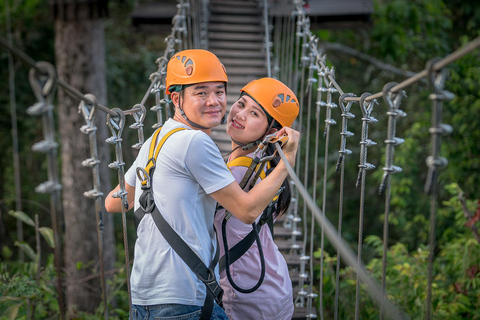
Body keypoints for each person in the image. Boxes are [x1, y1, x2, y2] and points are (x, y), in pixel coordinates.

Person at [104, 50, 300, 320]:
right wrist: (287, 159)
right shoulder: (197, 143)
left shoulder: (155, 140)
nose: (214, 102)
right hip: (184, 297)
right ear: (176, 98)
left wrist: (155, 181)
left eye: (219, 92)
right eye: (201, 93)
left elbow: (114, 201)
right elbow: (247, 210)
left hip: (145, 296)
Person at [214, 78, 299, 320]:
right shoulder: (266, 165)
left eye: (254, 113)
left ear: (272, 132)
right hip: (271, 283)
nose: (240, 114)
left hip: (248, 295)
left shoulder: (238, 173)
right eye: (241, 104)